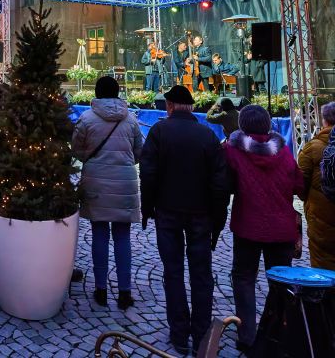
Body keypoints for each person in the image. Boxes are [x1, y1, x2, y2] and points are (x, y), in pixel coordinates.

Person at [140, 85, 228, 355]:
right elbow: (219, 182)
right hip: (201, 214)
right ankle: (201, 332)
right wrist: (218, 218)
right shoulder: (207, 135)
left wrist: (147, 208)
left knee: (173, 272)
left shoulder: (158, 132)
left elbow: (148, 174)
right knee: (201, 274)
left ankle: (179, 333)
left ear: (169, 106)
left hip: (167, 211)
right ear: (190, 107)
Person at [224, 104, 303, 352]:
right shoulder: (284, 153)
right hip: (282, 228)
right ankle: (277, 332)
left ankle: (247, 335)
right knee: (280, 283)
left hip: (248, 225)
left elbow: (224, 184)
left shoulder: (232, 151)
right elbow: (300, 185)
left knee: (244, 278)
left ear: (242, 125)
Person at [73, 76, 142, 309]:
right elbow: (138, 151)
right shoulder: (131, 119)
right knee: (123, 237)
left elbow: (77, 149)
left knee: (99, 234)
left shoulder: (86, 118)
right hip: (125, 183)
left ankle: (101, 289)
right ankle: (124, 292)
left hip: (96, 181)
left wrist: (92, 161)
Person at [298, 102, 335, 270]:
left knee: (324, 268)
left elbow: (300, 186)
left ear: (325, 121)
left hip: (321, 217)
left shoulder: (312, 148)